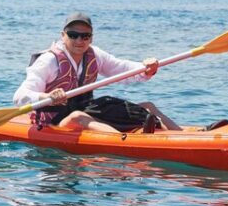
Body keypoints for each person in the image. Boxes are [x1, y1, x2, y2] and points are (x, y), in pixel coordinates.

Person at [13, 12, 181, 133]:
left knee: (147, 107)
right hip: (54, 123)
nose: (79, 40)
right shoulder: (49, 61)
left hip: (86, 112)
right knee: (78, 116)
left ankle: (180, 135)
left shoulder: (94, 55)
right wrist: (45, 97)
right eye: (73, 35)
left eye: (85, 36)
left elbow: (122, 69)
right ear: (63, 36)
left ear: (91, 38)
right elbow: (20, 97)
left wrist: (146, 68)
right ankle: (125, 142)